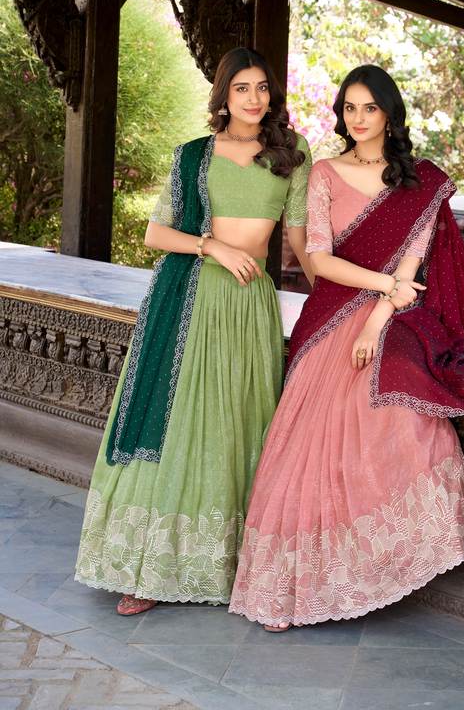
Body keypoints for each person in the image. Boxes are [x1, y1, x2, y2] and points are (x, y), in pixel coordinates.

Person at [229, 64, 464, 631]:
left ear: (389, 114)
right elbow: (321, 260)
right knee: (310, 442)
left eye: (369, 108)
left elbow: (411, 264)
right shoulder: (324, 172)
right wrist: (382, 288)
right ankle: (294, 584)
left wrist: (377, 319)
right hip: (332, 312)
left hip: (390, 313)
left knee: (398, 409)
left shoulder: (419, 181)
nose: (358, 118)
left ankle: (378, 562)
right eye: (349, 108)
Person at [75, 47, 312, 615]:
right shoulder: (193, 156)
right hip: (189, 300)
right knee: (177, 425)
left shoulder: (292, 155)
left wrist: (347, 300)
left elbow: (303, 243)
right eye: (242, 89)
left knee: (235, 428)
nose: (254, 99)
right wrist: (213, 246)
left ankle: (232, 566)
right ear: (223, 96)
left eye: (262, 88)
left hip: (249, 309)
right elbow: (156, 234)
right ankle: (148, 570)